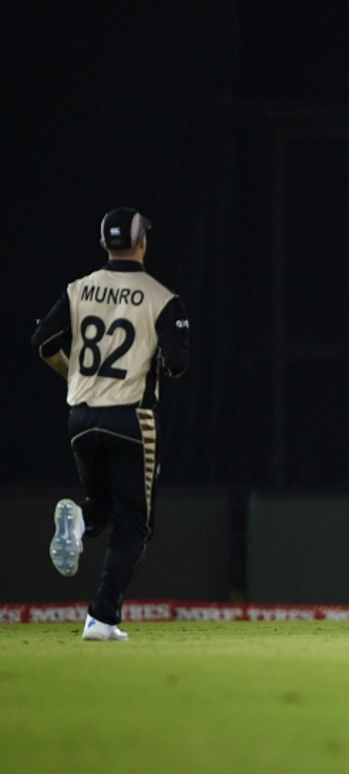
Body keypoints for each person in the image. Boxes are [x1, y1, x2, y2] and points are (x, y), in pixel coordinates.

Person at [31, 207, 191, 641]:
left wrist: (77, 376)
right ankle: (101, 618)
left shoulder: (78, 289)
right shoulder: (161, 297)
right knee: (136, 525)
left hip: (81, 416)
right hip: (131, 419)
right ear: (143, 243)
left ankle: (79, 523)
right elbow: (176, 365)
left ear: (104, 243)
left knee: (101, 507)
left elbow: (43, 342)